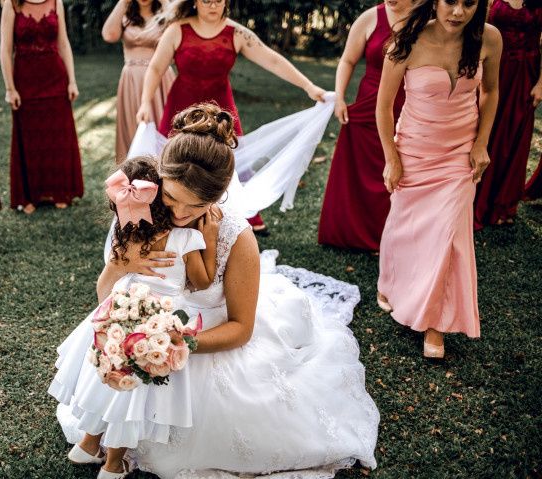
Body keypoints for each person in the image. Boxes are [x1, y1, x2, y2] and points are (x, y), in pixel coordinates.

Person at [52, 104, 379, 479]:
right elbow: (106, 296)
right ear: (160, 178)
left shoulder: (235, 237)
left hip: (208, 337)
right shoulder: (140, 207)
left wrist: (177, 344)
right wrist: (119, 267)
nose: (179, 214)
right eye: (172, 199)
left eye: (197, 206)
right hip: (139, 322)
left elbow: (241, 327)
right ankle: (98, 446)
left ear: (219, 196)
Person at [49, 154, 218, 479]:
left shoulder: (126, 236)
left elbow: (107, 286)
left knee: (107, 381)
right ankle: (113, 465)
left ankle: (86, 445)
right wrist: (207, 240)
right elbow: (202, 281)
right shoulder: (187, 238)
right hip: (155, 321)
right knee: (132, 398)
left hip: (117, 315)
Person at [376, 0, 502, 358]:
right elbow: (384, 106)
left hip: (460, 153)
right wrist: (392, 158)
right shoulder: (407, 38)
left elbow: (490, 92)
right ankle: (394, 283)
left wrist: (481, 144)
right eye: (450, 1)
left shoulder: (489, 39)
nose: (458, 12)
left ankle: (435, 325)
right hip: (414, 149)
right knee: (407, 227)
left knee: (449, 234)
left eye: (469, 3)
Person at [135, 0, 326, 236]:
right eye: (206, 0)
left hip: (221, 108)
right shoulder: (177, 30)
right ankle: (164, 212)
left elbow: (272, 60)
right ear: (195, 2)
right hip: (181, 105)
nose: (213, 5)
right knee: (172, 159)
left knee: (231, 160)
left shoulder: (237, 33)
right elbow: (155, 68)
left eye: (218, 0)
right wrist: (145, 101)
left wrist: (308, 87)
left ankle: (246, 215)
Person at [317, 0, 411, 251]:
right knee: (359, 169)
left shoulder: (428, 19)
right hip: (369, 102)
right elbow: (347, 60)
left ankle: (396, 235)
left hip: (409, 104)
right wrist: (340, 96)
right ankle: (350, 232)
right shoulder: (370, 18)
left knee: (402, 169)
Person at [0, 0, 84, 214]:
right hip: (25, 82)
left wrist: (72, 80)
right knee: (29, 138)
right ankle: (29, 196)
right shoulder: (11, 4)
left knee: (58, 138)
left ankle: (59, 191)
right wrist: (10, 88)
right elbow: (5, 49)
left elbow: (63, 42)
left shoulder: (57, 2)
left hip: (55, 79)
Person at [474, 0, 542, 228]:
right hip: (495, 68)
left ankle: (503, 203)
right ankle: (476, 197)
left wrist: (541, 83)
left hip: (525, 73)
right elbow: (478, 27)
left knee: (514, 136)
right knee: (485, 130)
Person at [102, 0, 175, 163]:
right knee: (134, 129)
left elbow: (181, 26)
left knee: (165, 130)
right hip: (131, 81)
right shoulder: (126, 16)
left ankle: (167, 169)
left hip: (161, 79)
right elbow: (109, 35)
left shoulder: (166, 15)